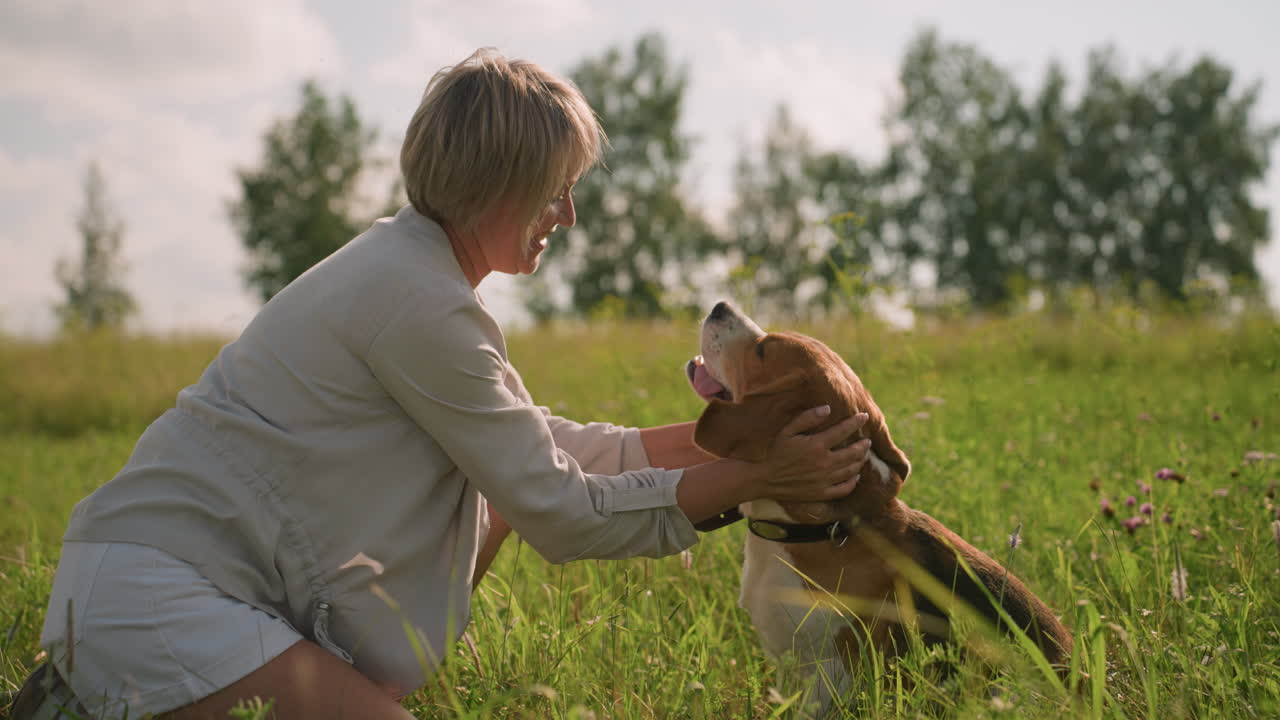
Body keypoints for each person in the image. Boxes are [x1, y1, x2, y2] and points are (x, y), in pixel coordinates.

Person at [11, 48, 872, 720]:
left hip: (168, 589)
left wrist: (761, 441)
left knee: (490, 503)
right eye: (556, 189)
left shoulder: (410, 277)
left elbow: (546, 451)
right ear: (500, 181)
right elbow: (563, 514)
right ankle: (90, 698)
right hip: (163, 599)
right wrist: (761, 477)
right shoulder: (414, 302)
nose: (567, 215)